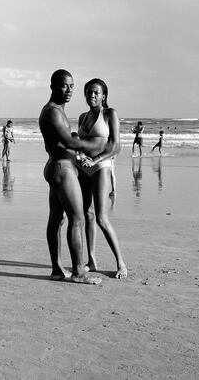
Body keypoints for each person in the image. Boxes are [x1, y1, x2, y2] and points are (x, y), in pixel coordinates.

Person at [39, 69, 104, 284]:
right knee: (77, 219)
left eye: (72, 86)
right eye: (64, 85)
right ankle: (79, 273)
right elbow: (70, 142)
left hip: (58, 167)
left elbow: (65, 140)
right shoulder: (53, 112)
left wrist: (77, 147)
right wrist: (99, 144)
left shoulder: (57, 110)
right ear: (52, 87)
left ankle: (57, 269)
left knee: (57, 220)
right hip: (62, 169)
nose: (69, 90)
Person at [76, 78, 127, 279]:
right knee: (86, 215)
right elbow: (81, 144)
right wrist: (78, 154)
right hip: (83, 169)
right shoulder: (82, 117)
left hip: (101, 167)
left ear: (104, 95)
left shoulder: (110, 114)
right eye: (89, 92)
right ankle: (91, 260)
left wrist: (95, 160)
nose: (92, 95)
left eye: (96, 92)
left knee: (101, 218)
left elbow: (116, 146)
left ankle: (121, 263)